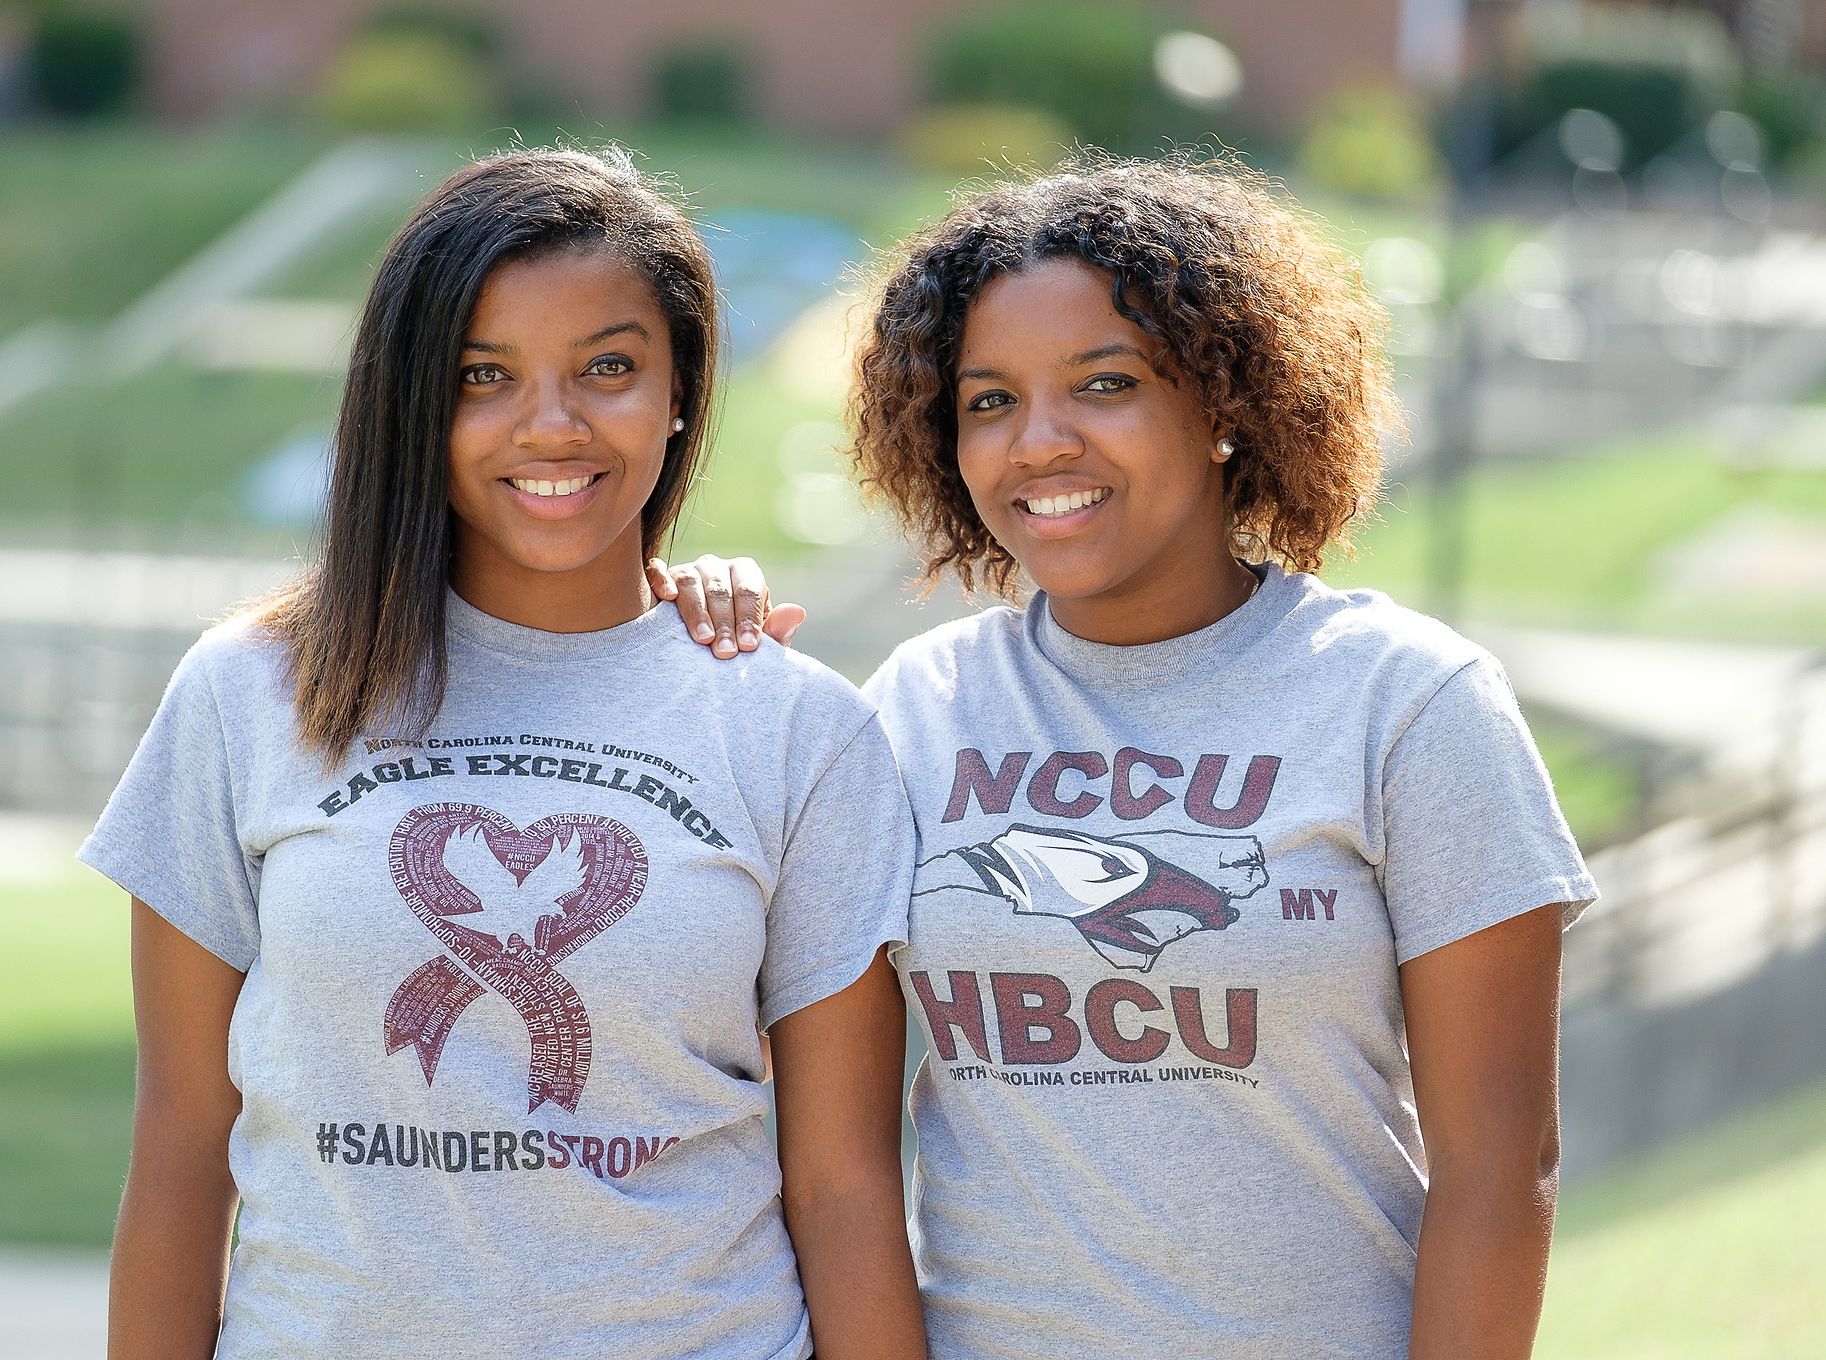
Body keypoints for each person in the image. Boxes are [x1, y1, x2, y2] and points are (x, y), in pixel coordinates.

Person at [657, 155, 1594, 1359]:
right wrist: (681, 621)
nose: (1039, 443)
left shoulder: (1409, 703)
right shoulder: (912, 711)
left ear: (1224, 407)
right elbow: (837, 1166)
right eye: (988, 400)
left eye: (1105, 384)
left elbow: (1504, 1161)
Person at [83, 148, 926, 1360]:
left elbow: (844, 1188)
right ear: (412, 397)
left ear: (681, 391)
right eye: (486, 375)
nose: (552, 423)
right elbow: (178, 1146)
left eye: (610, 369)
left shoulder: (797, 727)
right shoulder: (250, 690)